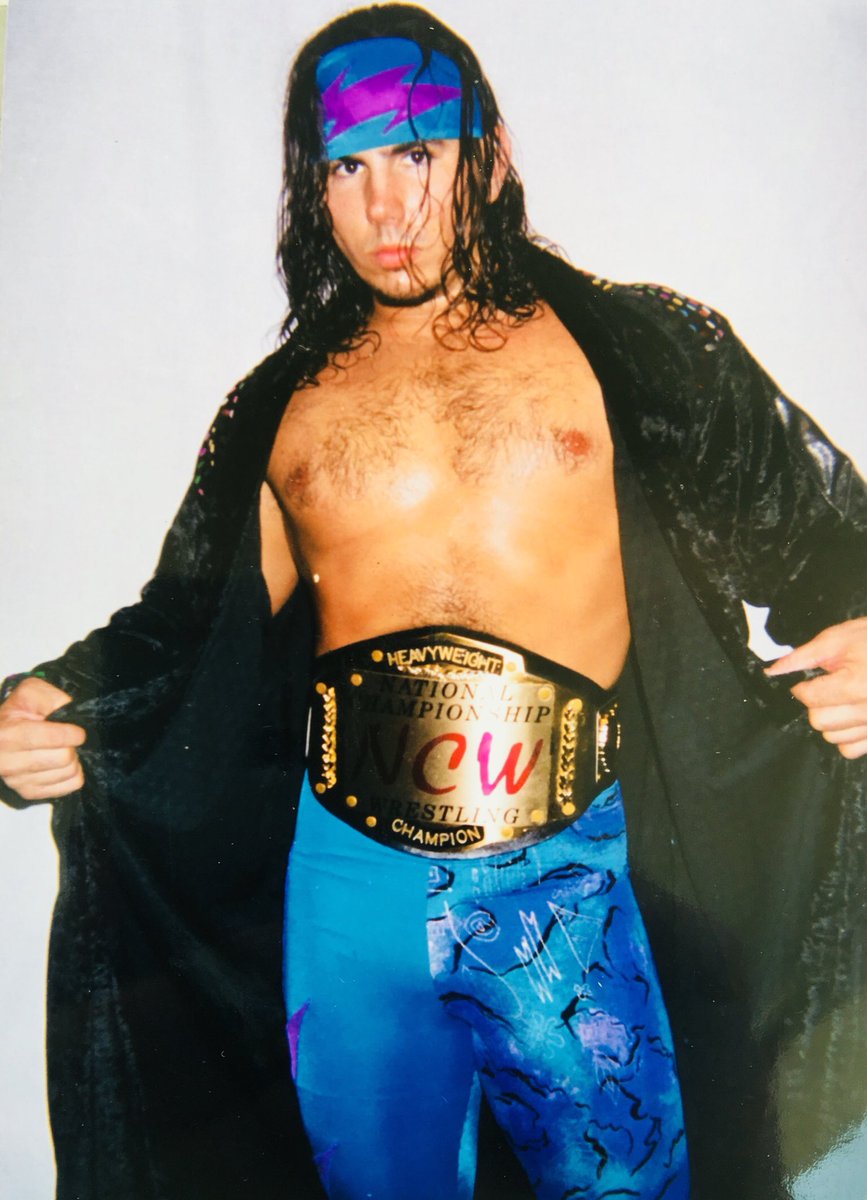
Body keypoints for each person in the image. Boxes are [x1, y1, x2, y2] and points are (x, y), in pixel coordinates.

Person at [1, 4, 866, 1198]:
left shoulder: (635, 351)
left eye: (418, 152)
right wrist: (59, 695)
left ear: (491, 157)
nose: (387, 207)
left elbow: (811, 528)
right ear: (314, 190)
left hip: (572, 877)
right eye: (347, 168)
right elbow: (188, 621)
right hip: (346, 886)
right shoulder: (280, 405)